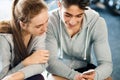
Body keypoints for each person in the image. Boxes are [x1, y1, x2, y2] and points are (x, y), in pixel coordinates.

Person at [46, 0, 113, 80]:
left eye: (79, 16)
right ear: (59, 5)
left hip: (85, 68)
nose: (72, 22)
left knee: (108, 79)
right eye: (67, 15)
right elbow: (50, 62)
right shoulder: (49, 21)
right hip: (59, 69)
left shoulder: (97, 22)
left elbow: (106, 64)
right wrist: (75, 76)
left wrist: (96, 75)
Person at [0, 0, 49, 80]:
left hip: (15, 77)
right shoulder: (4, 39)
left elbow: (42, 64)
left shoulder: (39, 33)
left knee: (37, 78)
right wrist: (26, 62)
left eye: (46, 21)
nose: (45, 29)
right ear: (23, 24)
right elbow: (3, 77)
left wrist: (18, 75)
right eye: (38, 26)